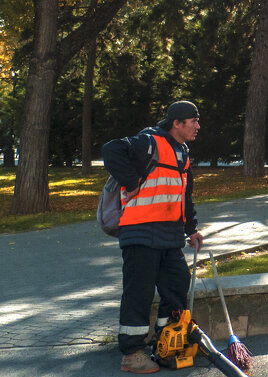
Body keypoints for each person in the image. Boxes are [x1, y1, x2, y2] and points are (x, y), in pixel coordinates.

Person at [102, 101, 204, 374]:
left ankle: (165, 345)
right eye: (193, 121)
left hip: (170, 236)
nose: (197, 126)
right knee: (139, 293)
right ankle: (132, 355)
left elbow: (185, 195)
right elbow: (110, 150)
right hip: (140, 232)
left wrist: (191, 229)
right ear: (177, 123)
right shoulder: (148, 143)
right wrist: (132, 181)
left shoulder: (182, 152)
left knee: (177, 285)